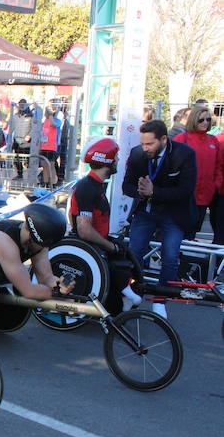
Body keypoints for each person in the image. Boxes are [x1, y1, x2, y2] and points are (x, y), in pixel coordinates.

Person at [122, 119, 197, 318]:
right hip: (145, 212)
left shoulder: (185, 154)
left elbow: (185, 190)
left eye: (150, 144)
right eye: (143, 143)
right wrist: (140, 191)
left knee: (170, 257)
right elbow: (126, 186)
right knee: (134, 252)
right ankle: (133, 293)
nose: (145, 148)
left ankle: (161, 300)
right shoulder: (138, 154)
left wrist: (155, 192)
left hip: (174, 214)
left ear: (164, 139)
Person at [68, 137, 144, 313]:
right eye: (115, 157)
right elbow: (84, 229)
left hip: (97, 243)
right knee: (118, 255)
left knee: (127, 255)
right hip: (88, 246)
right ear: (106, 159)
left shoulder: (97, 186)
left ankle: (126, 294)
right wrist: (110, 246)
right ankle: (123, 297)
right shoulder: (87, 187)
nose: (117, 160)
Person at [0, 203, 73, 300]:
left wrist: (60, 285)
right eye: (41, 245)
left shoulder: (39, 242)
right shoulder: (4, 242)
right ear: (30, 233)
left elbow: (46, 277)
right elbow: (28, 291)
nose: (42, 249)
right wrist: (57, 294)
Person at [172, 107, 223, 241]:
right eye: (201, 119)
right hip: (185, 194)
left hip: (205, 194)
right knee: (180, 229)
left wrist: (215, 184)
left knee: (194, 228)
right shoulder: (182, 138)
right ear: (194, 120)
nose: (205, 122)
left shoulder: (213, 140)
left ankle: (184, 260)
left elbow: (218, 165)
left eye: (208, 119)